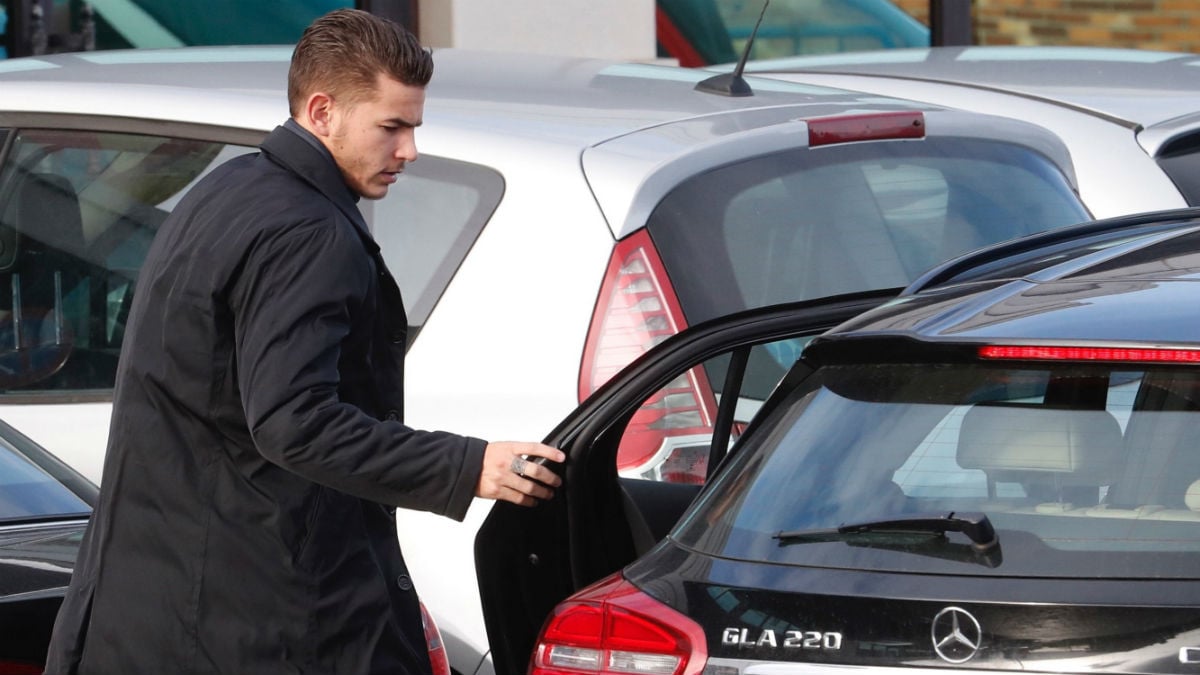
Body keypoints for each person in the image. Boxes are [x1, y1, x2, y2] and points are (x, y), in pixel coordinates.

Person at [43, 9, 564, 674]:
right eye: (392, 126)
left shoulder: (229, 188)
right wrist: (470, 466)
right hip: (259, 622)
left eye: (413, 126)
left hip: (159, 609)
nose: (409, 149)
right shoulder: (308, 233)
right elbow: (294, 422)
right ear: (322, 111)